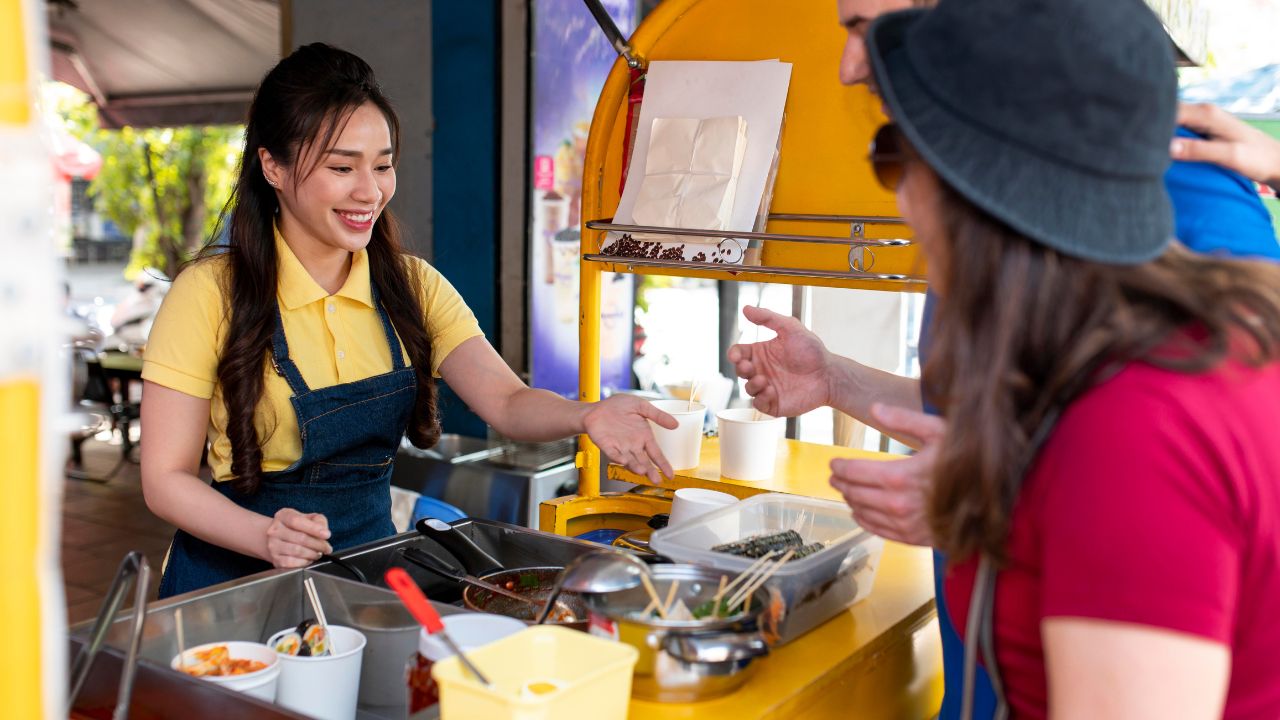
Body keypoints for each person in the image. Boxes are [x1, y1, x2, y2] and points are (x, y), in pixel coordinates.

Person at [732, 2, 1280, 718]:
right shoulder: (1105, 325)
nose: (896, 196)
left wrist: (995, 501)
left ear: (984, 178)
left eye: (895, 155)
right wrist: (842, 383)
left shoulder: (1135, 427)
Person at [141, 44, 678, 598]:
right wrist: (264, 535)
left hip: (367, 576)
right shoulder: (210, 293)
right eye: (342, 167)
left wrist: (587, 415)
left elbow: (507, 402)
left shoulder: (412, 287)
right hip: (233, 585)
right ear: (272, 166)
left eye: (383, 164)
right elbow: (165, 479)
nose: (370, 191)